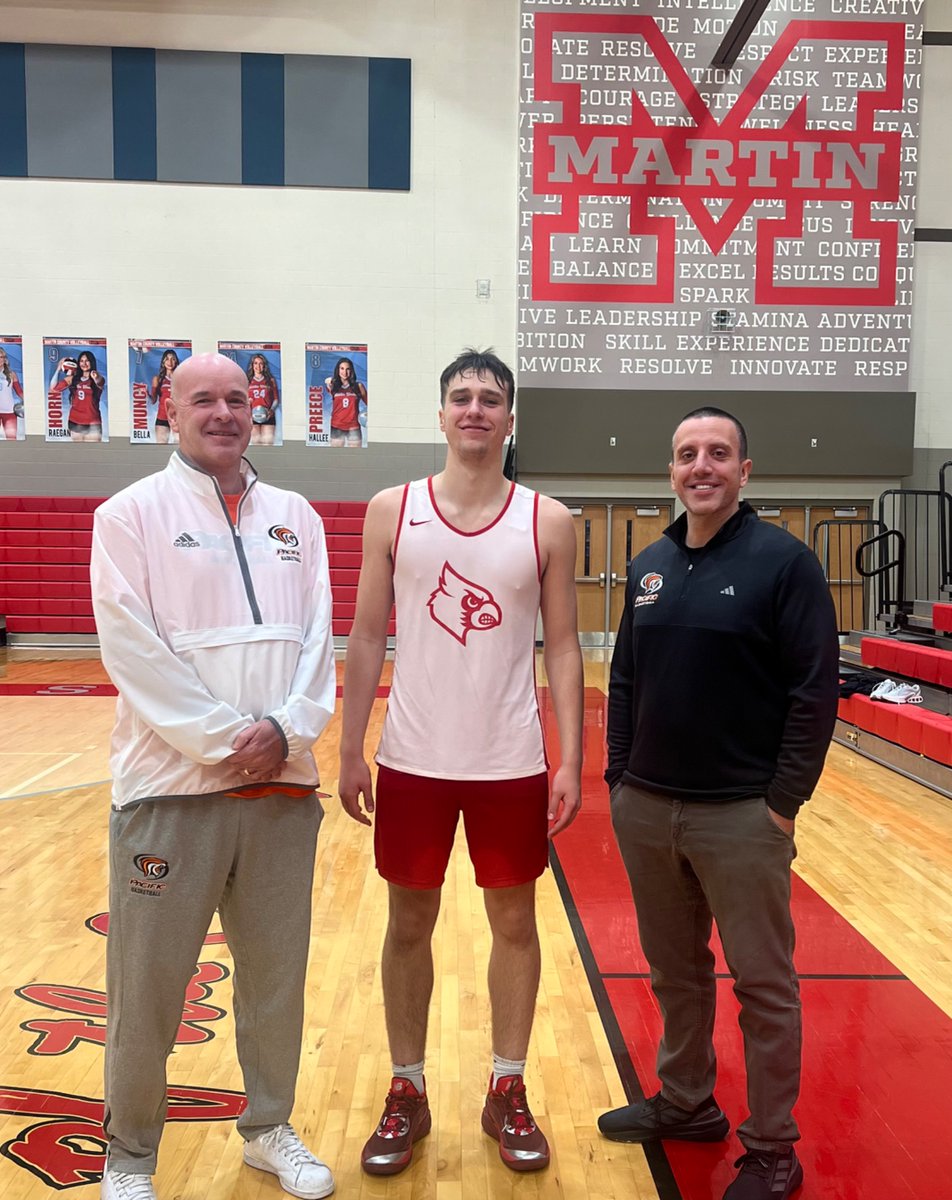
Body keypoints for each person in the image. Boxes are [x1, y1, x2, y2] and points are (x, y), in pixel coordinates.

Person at [90, 353, 337, 1200]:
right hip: (170, 793)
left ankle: (268, 1128)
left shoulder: (297, 517)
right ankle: (128, 1158)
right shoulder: (129, 515)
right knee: (147, 988)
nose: (224, 412)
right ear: (171, 411)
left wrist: (288, 731)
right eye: (204, 399)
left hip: (282, 792)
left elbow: (318, 643)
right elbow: (133, 652)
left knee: (275, 980)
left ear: (255, 408)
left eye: (238, 397)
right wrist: (232, 739)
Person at [339, 348, 583, 1176]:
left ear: (510, 419)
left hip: (509, 760)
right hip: (413, 758)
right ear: (441, 414)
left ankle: (506, 1088)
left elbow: (564, 647)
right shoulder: (391, 509)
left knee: (515, 925)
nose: (475, 408)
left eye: (490, 398)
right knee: (408, 924)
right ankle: (406, 1090)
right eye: (461, 397)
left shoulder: (548, 519)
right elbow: (365, 636)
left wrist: (571, 759)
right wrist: (351, 748)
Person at [599, 407, 839, 1200]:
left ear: (744, 471)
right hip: (648, 808)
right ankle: (687, 1101)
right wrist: (620, 778)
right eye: (686, 454)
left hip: (742, 815)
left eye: (717, 453)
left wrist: (783, 803)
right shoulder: (650, 565)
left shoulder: (786, 563)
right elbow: (625, 679)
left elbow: (814, 693)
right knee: (675, 971)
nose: (700, 466)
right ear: (671, 471)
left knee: (764, 986)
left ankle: (772, 1147)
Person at [325, 357, 366, 447]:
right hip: (337, 425)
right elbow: (327, 381)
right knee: (337, 454)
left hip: (354, 426)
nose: (345, 372)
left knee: (355, 454)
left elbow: (369, 404)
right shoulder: (333, 386)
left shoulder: (358, 386)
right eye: (342, 368)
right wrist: (331, 381)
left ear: (351, 371)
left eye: (348, 369)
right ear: (338, 370)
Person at [66, 349, 105, 441]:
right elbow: (54, 388)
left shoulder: (96, 379)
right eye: (81, 361)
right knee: (78, 449)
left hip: (93, 423)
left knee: (94, 450)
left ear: (92, 362)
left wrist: (96, 376)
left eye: (87, 361)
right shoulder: (74, 379)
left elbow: (100, 381)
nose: (84, 363)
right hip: (75, 421)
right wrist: (59, 369)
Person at [247, 352, 280, 446]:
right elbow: (244, 399)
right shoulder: (248, 380)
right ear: (252, 365)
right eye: (255, 363)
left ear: (264, 365)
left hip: (268, 415)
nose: (258, 366)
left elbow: (276, 399)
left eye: (261, 363)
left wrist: (271, 410)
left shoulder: (270, 380)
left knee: (268, 443)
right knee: (256, 444)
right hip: (253, 416)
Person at [150, 349, 180, 445]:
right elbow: (153, 400)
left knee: (179, 447)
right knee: (161, 448)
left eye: (173, 359)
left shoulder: (181, 379)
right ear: (163, 362)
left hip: (177, 418)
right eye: (167, 359)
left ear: (176, 361)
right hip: (162, 418)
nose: (170, 362)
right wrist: (147, 395)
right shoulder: (157, 379)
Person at [0, 345, 24, 439]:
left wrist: (29, 403)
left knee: (11, 439)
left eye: (1, 357)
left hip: (9, 412)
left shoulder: (12, 374)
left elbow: (19, 391)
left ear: (4, 359)